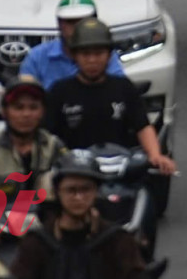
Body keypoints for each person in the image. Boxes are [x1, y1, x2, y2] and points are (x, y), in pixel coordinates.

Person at [44, 20, 176, 176]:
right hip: (74, 173)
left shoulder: (123, 87)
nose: (92, 60)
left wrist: (155, 155)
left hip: (119, 171)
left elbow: (143, 126)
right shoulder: (60, 91)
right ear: (74, 56)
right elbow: (45, 136)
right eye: (86, 54)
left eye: (98, 53)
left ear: (109, 55)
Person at [9, 153, 147, 279]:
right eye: (71, 190)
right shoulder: (37, 243)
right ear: (57, 192)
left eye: (85, 189)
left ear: (96, 192)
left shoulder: (117, 240)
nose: (79, 197)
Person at [0, 74, 67, 227]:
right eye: (18, 107)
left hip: (44, 232)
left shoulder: (55, 146)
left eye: (33, 107)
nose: (26, 114)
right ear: (4, 111)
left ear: (42, 112)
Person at [22, 0, 128, 87]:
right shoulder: (37, 57)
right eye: (70, 22)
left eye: (82, 21)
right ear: (59, 23)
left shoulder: (106, 57)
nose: (76, 28)